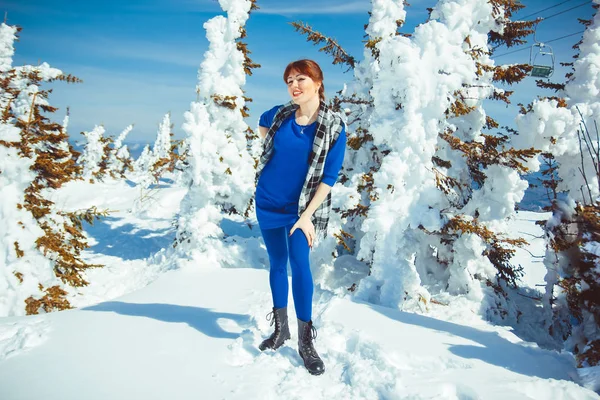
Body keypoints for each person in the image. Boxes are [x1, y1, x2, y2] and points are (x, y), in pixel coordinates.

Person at [254, 59, 346, 376]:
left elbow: (329, 178)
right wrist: (266, 150)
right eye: (289, 80)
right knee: (277, 264)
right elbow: (262, 124)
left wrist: (307, 216)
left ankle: (306, 342)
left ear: (317, 83)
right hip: (267, 200)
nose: (294, 85)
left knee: (299, 263)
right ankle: (281, 330)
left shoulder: (334, 125)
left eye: (301, 79)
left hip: (300, 210)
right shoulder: (280, 114)